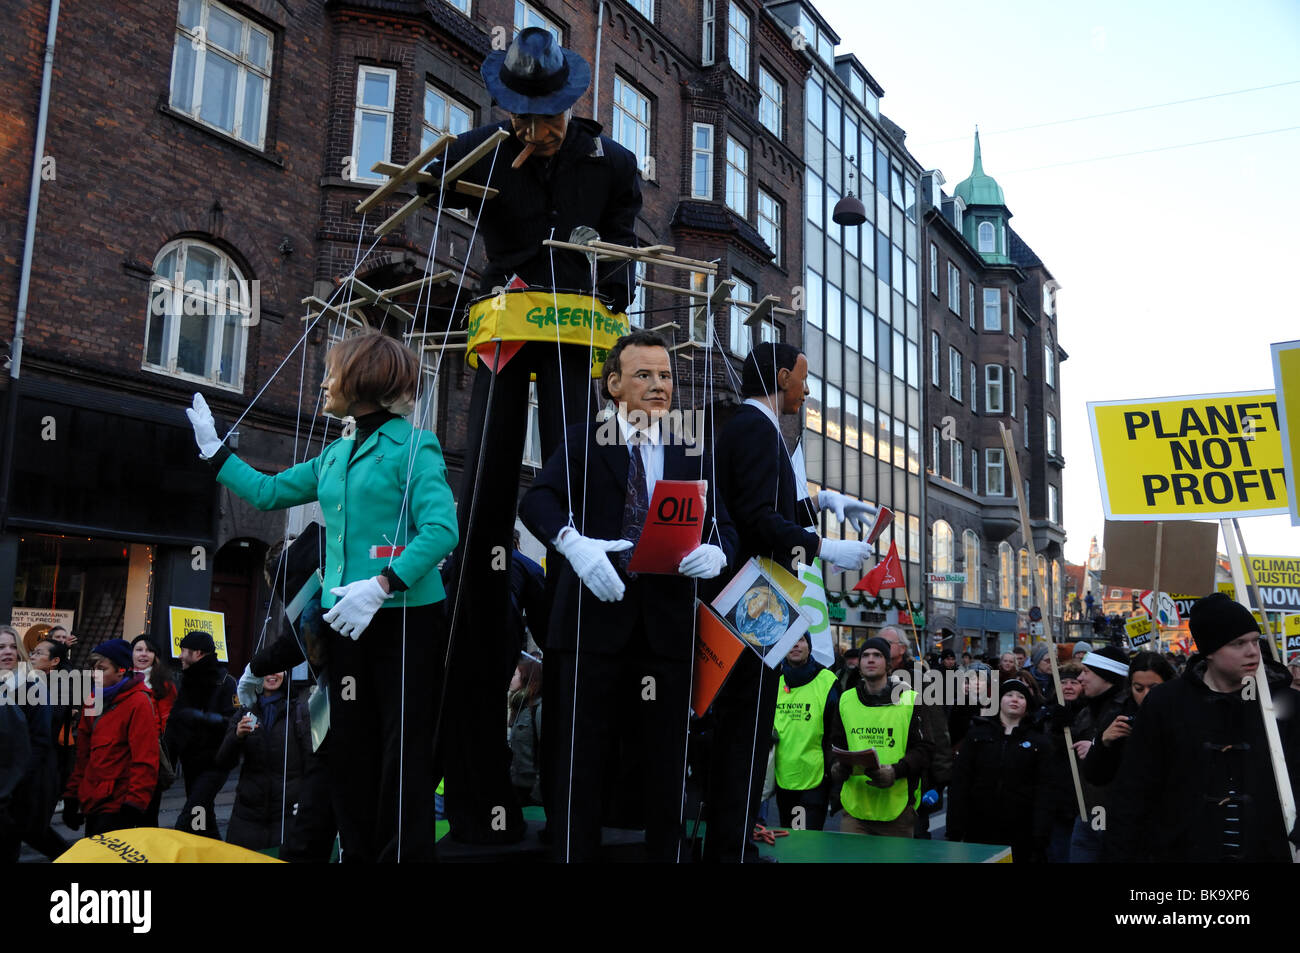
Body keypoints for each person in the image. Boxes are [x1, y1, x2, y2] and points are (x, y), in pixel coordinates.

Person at [420, 25, 642, 845]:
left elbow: (625, 234)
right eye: (521, 114)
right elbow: (437, 182)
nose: (534, 130)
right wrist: (484, 156)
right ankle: (475, 601)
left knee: (580, 464)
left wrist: (612, 277)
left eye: (545, 117)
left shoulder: (610, 162)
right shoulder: (486, 148)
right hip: (509, 325)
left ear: (570, 105)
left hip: (579, 329)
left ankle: (582, 562)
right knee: (485, 482)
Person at [188, 329, 458, 862]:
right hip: (345, 624)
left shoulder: (415, 447)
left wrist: (385, 583)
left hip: (404, 622)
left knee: (399, 756)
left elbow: (441, 529)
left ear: (362, 380)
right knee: (348, 755)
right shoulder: (335, 454)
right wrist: (215, 452)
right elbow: (268, 492)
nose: (323, 384)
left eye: (332, 373)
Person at [519, 330, 736, 862]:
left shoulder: (690, 447)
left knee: (666, 761)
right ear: (613, 383)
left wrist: (718, 553)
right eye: (645, 375)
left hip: (664, 632)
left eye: (666, 376)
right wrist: (574, 545)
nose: (659, 386)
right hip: (591, 627)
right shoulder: (584, 438)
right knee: (580, 759)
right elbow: (539, 501)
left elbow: (723, 526)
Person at [709, 342, 880, 861]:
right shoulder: (758, 430)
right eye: (803, 379)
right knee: (748, 726)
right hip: (752, 598)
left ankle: (734, 838)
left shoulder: (749, 428)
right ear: (782, 376)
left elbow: (768, 504)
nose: (807, 390)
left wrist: (824, 501)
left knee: (748, 726)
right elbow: (760, 519)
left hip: (753, 595)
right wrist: (827, 547)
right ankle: (732, 845)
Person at [1108, 593, 1300, 862]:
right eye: (1238, 643)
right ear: (1209, 650)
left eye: (1255, 641)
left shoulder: (1286, 704)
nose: (1252, 651)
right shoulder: (1167, 703)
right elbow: (1136, 787)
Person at [828, 638, 933, 838]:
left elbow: (925, 749)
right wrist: (836, 766)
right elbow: (835, 743)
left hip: (897, 809)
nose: (870, 659)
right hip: (855, 808)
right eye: (865, 655)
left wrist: (895, 771)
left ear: (889, 664)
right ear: (859, 664)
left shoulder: (910, 699)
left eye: (877, 655)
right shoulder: (846, 700)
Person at [61, 639, 159, 837]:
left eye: (102, 669)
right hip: (93, 798)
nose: (94, 675)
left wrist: (134, 803)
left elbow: (145, 759)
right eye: (93, 669)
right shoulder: (93, 700)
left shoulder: (138, 701)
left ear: (121, 670)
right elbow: (83, 755)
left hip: (119, 801)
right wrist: (71, 795)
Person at [946, 679, 1050, 862]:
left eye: (1020, 696)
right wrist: (955, 826)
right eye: (1009, 695)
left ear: (1027, 704)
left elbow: (1044, 788)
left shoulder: (1038, 742)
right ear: (999, 701)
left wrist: (1040, 834)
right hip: (979, 824)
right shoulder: (978, 735)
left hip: (1020, 828)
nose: (1014, 699)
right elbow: (961, 781)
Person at [215, 672, 314, 853]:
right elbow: (223, 761)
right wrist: (236, 737)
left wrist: (308, 799)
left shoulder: (298, 711)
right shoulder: (245, 711)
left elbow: (311, 759)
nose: (272, 674)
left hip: (286, 815)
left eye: (278, 669)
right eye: (266, 670)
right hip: (248, 815)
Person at [164, 631, 237, 840]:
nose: (179, 656)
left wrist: (201, 717)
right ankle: (211, 849)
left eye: (183, 651)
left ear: (197, 653)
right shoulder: (187, 680)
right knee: (201, 817)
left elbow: (232, 722)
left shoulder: (225, 682)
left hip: (215, 763)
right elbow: (176, 721)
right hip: (191, 763)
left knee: (189, 815)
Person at [1064, 645, 1129, 862]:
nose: (1080, 678)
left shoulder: (1127, 710)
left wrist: (1095, 747)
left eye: (1086, 672)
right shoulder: (1086, 710)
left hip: (1114, 815)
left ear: (1106, 676)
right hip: (1086, 811)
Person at [1081, 652, 1175, 793]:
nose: (1146, 695)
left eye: (1154, 688)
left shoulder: (1181, 716)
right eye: (1139, 688)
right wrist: (1103, 743)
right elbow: (1095, 777)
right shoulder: (1118, 718)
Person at [772, 635, 839, 831]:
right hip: (783, 775)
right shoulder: (775, 681)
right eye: (791, 640)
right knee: (788, 834)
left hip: (815, 778)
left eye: (801, 640)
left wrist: (832, 769)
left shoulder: (827, 680)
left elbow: (835, 731)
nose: (795, 644)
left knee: (805, 839)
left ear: (809, 646)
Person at [508, 657, 544, 808]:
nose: (510, 678)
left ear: (526, 678)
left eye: (514, 674)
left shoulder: (538, 709)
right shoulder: (518, 705)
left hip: (531, 793)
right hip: (516, 785)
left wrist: (537, 794)